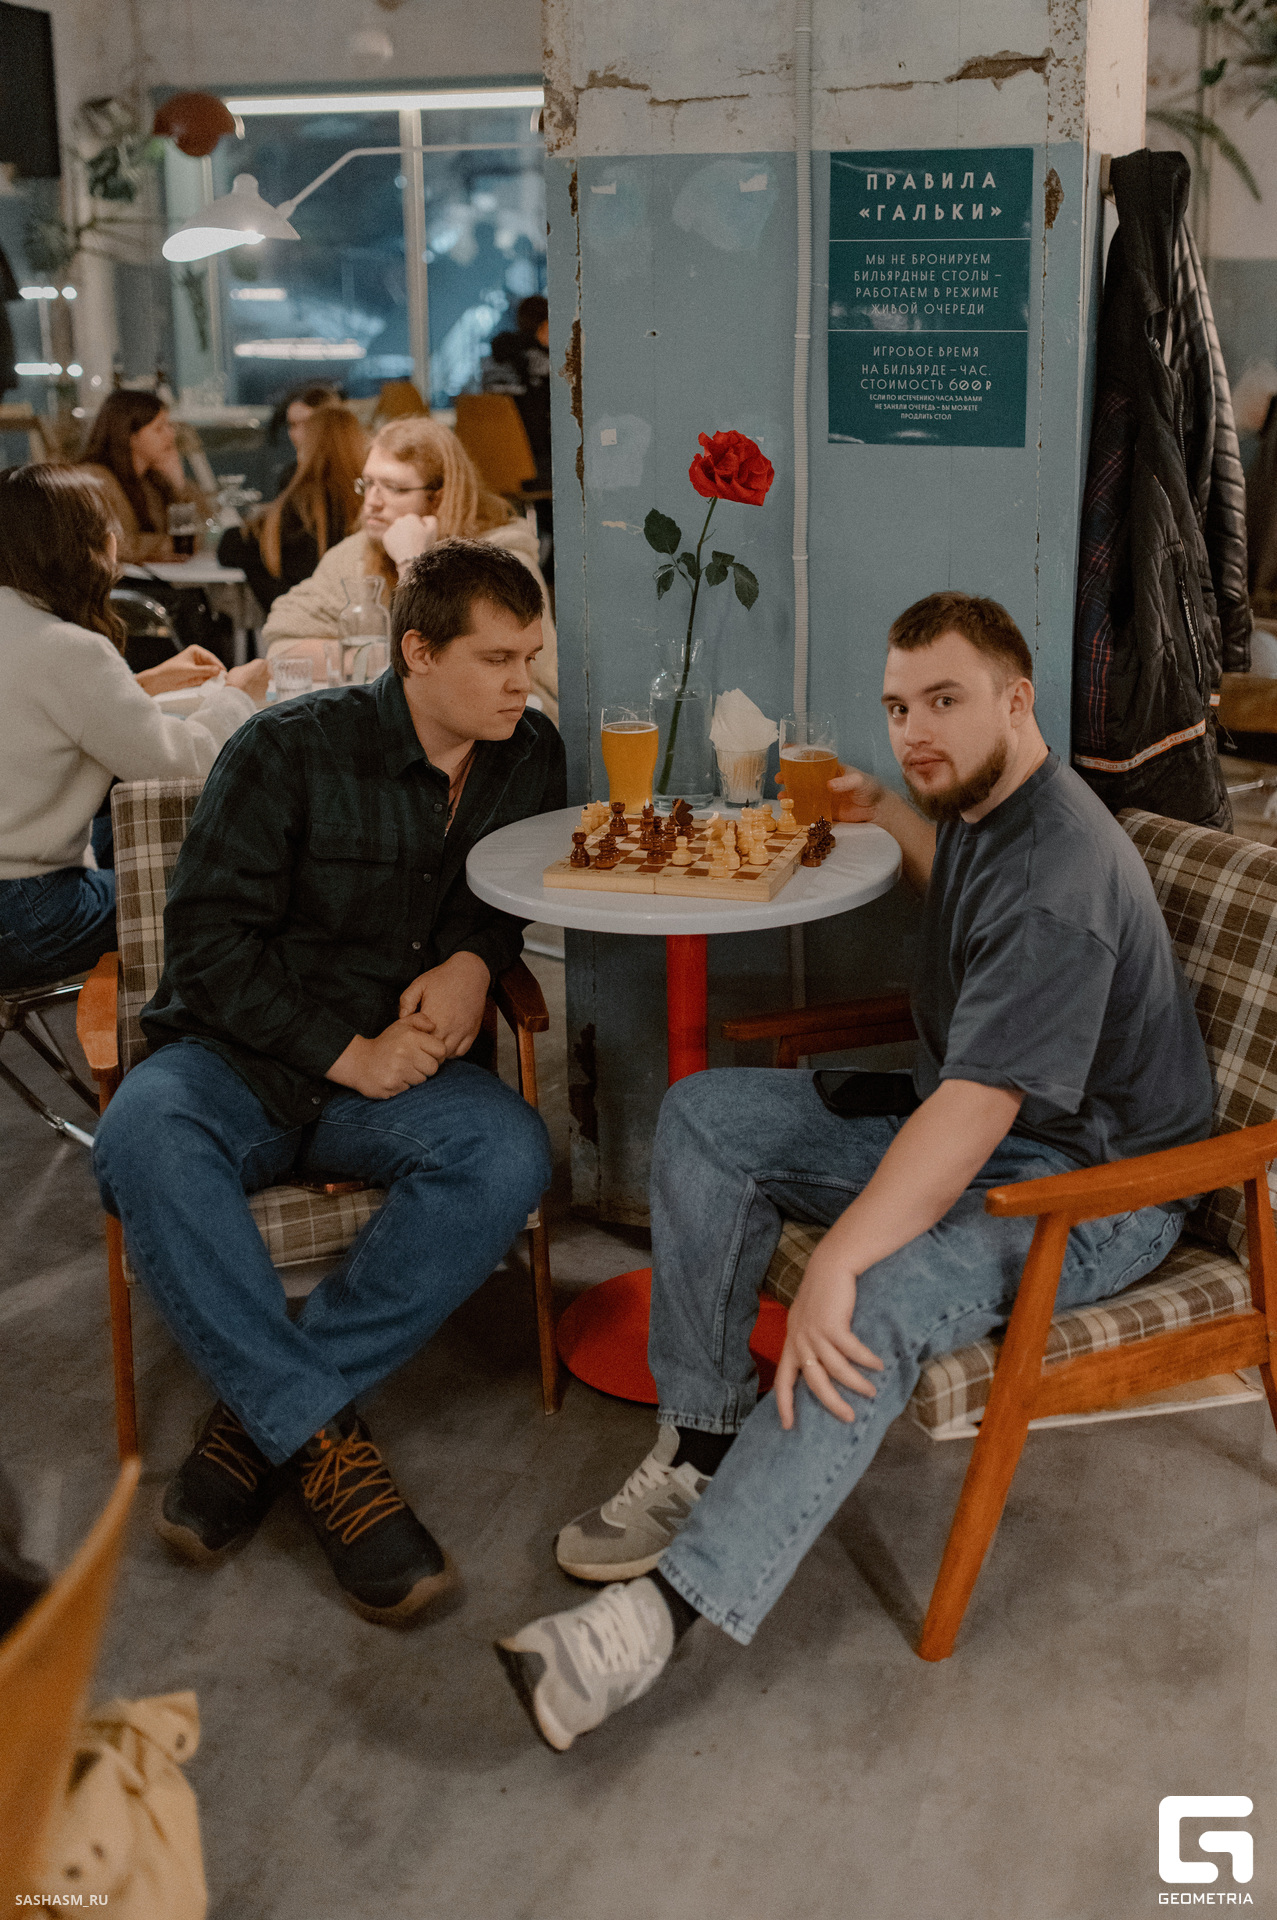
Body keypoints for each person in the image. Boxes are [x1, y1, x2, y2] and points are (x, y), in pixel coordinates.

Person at [495, 590, 1216, 1750]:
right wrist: (886, 809)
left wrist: (837, 1258)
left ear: (1015, 700)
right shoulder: (987, 799)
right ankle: (704, 1442)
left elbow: (977, 1109)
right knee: (703, 1117)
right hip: (984, 1126)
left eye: (943, 700)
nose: (912, 731)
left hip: (1097, 1189)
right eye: (897, 706)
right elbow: (971, 928)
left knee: (870, 1294)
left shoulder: (1059, 877)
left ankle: (652, 1623)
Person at [92, 540, 565, 1626]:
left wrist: (474, 957)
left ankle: (257, 1419)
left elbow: (501, 895)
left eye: (529, 657)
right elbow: (206, 950)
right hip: (241, 1061)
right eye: (496, 659)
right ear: (417, 652)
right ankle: (323, 1444)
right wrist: (349, 1054)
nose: (521, 683)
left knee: (508, 1154)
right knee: (141, 1137)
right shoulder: (286, 748)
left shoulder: (526, 753)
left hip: (404, 1079)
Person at [0, 465, 267, 991]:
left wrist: (141, 684)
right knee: (230, 885)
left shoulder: (22, 628)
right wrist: (239, 694)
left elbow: (30, 712)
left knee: (122, 828)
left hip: (14, 896)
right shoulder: (69, 650)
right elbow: (180, 765)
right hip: (29, 916)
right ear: (84, 547)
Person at [262, 415, 559, 722]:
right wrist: (374, 658)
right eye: (368, 484)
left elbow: (450, 673)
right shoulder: (358, 552)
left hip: (507, 728)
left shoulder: (499, 563)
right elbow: (283, 649)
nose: (372, 502)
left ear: (439, 498)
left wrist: (412, 563)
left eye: (394, 488)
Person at [217, 404, 367, 612]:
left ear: (309, 446)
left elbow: (232, 545)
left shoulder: (302, 504)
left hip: (306, 618)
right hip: (360, 614)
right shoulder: (369, 502)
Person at [79, 390, 209, 564]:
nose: (171, 434)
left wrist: (179, 485)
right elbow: (110, 543)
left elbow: (203, 532)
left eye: (170, 426)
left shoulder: (152, 481)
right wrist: (169, 545)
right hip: (122, 579)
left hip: (160, 575)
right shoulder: (95, 479)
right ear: (130, 436)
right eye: (159, 428)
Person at [267, 381, 345, 492]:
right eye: (292, 425)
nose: (297, 434)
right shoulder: (290, 476)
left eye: (307, 424)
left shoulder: (350, 472)